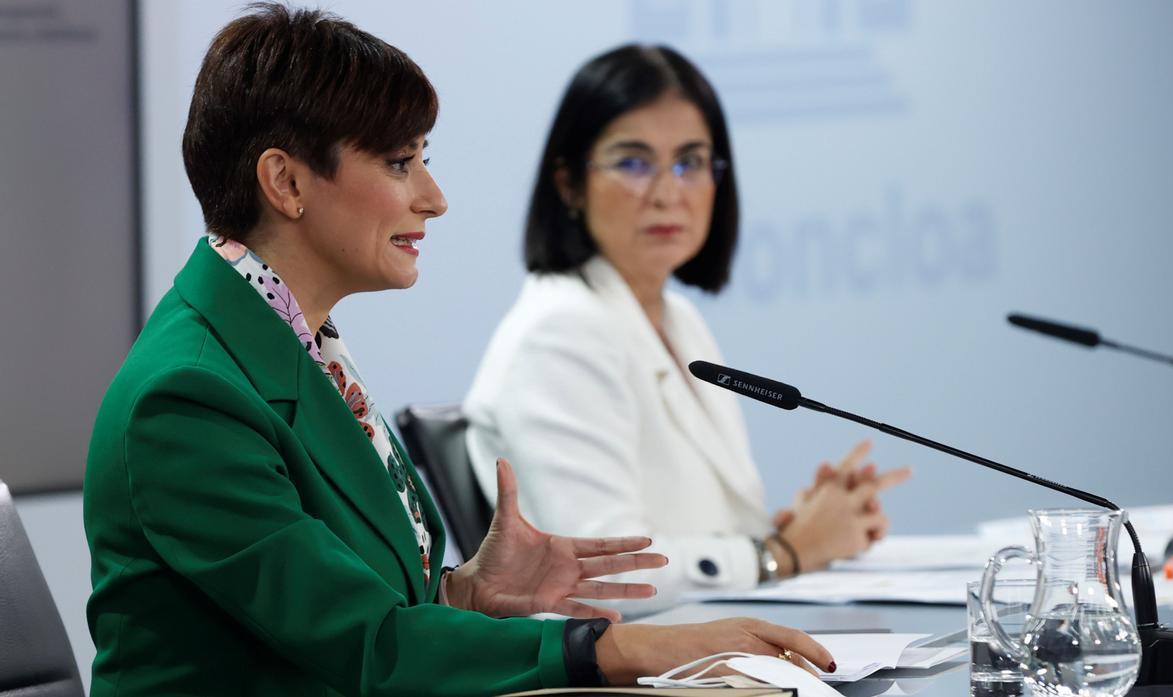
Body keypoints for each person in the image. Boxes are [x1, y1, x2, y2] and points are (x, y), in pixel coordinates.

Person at [83, 6, 838, 695]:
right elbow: (367, 644)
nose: (434, 196)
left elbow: (340, 614)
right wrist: (615, 648)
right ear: (285, 181)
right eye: (400, 163)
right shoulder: (188, 398)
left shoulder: (292, 339)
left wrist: (464, 591)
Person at [464, 44, 910, 613]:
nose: (669, 192)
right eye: (633, 162)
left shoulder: (677, 318)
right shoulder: (560, 333)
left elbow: (701, 525)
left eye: (691, 162)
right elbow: (602, 577)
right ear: (569, 183)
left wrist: (805, 527)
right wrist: (782, 553)